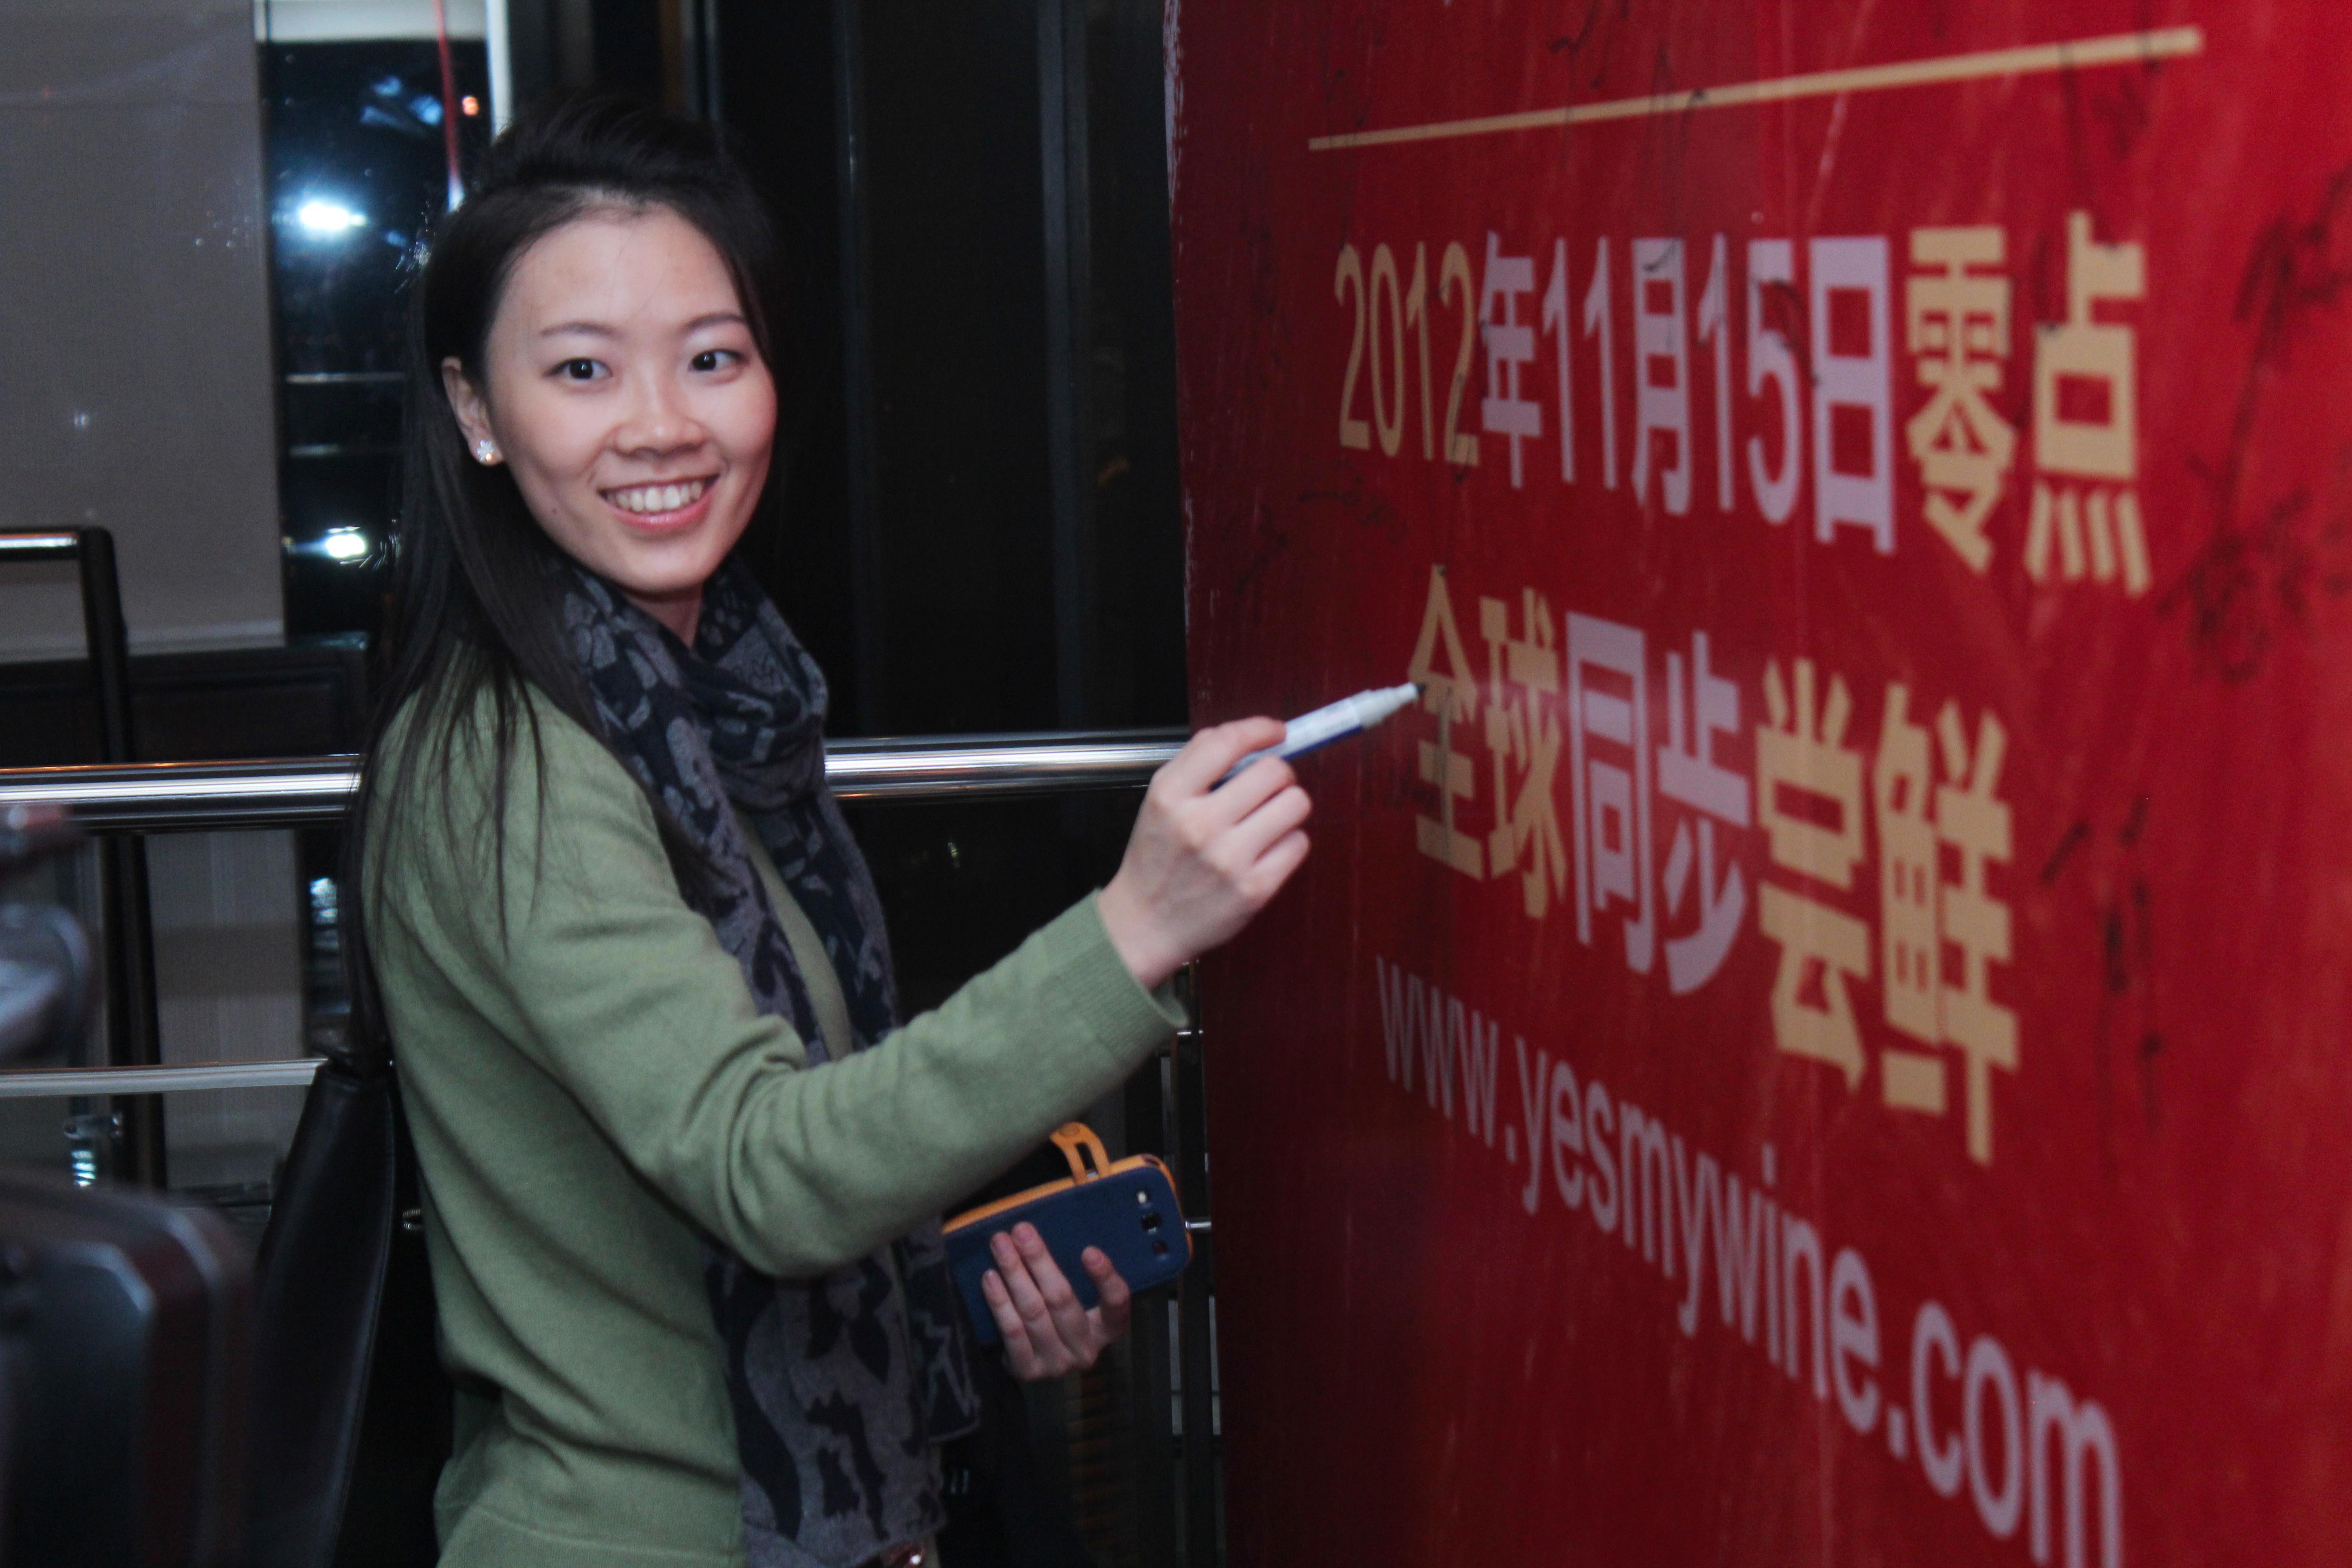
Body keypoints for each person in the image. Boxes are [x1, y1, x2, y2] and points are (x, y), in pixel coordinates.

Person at [345, 97, 1311, 1568]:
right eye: (583, 369)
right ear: (475, 410)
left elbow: (790, 1145)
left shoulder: (714, 717)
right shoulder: (509, 759)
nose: (663, 425)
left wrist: (955, 1288)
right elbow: (767, 1173)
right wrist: (1137, 928)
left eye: (712, 357)